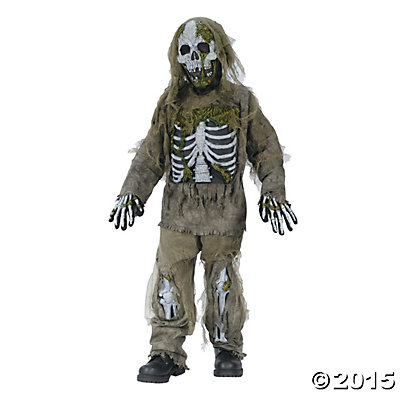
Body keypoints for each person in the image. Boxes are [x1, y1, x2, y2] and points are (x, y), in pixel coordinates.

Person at [109, 17, 297, 383]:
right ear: (177, 59)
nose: (195, 62)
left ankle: (227, 347)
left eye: (202, 51)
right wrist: (132, 191)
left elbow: (266, 149)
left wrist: (273, 192)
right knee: (169, 280)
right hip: (177, 213)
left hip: (224, 214)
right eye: (186, 53)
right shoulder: (170, 104)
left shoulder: (240, 101)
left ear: (219, 53)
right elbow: (151, 155)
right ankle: (165, 351)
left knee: (222, 280)